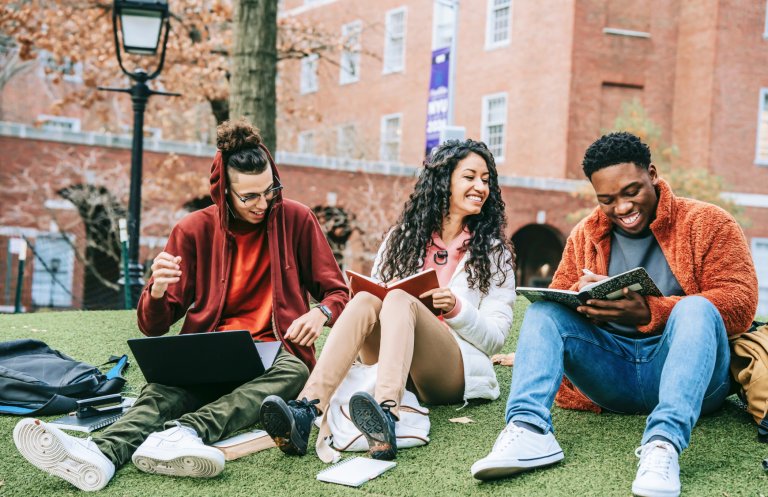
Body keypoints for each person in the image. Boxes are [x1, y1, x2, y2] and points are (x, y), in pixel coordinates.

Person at [12, 118, 349, 492]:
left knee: (296, 373)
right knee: (161, 390)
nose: (264, 203)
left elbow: (339, 293)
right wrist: (156, 292)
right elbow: (153, 326)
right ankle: (99, 455)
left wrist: (321, 312)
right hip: (209, 347)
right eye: (249, 196)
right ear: (224, 192)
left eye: (270, 190)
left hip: (274, 350)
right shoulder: (192, 230)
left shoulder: (297, 219)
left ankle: (186, 432)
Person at [472, 132, 758, 497]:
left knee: (697, 307)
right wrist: (584, 301)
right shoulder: (586, 233)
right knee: (544, 310)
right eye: (606, 199)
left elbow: (741, 302)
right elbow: (560, 300)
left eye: (631, 192)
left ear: (652, 174)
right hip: (613, 375)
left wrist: (650, 312)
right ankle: (529, 431)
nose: (621, 208)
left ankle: (663, 444)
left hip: (693, 380)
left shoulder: (708, 223)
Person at [259, 139, 516, 461]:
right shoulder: (402, 238)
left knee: (399, 300)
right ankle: (306, 409)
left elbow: (494, 339)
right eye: (469, 177)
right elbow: (376, 301)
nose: (480, 186)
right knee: (368, 298)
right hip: (390, 359)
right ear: (444, 181)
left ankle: (386, 413)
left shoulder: (493, 252)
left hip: (449, 372)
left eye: (486, 179)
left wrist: (456, 308)